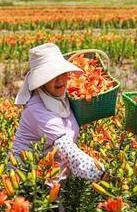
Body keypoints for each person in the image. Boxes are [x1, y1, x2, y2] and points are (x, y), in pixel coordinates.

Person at [11, 43, 105, 181]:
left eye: (62, 73)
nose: (60, 80)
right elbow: (66, 149)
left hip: (51, 180)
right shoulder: (38, 109)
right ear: (40, 81)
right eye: (51, 76)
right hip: (27, 183)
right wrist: (102, 175)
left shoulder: (61, 96)